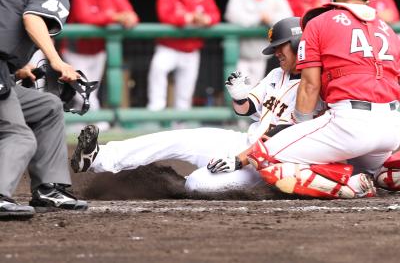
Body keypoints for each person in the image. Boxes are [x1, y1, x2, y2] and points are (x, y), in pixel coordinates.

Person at [208, 0, 400, 198]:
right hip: (391, 125)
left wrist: (300, 126)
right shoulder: (388, 29)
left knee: (266, 159)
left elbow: (309, 85)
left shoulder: (319, 22)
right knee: (372, 172)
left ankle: (349, 185)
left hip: (349, 122)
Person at [71, 17, 372, 195]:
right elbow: (246, 111)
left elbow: (288, 138)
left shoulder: (319, 85)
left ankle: (187, 184)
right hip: (244, 142)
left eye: (280, 47)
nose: (276, 54)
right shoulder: (276, 74)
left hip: (269, 163)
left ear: (297, 45)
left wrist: (242, 159)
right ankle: (99, 157)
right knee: (180, 137)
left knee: (198, 185)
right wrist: (239, 96)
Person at [0, 0, 88, 219]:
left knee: (47, 106)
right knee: (19, 135)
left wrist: (17, 69)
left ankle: (49, 188)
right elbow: (33, 19)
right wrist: (58, 61)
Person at [63, 0, 138, 112]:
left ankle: (80, 124)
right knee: (84, 92)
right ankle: (99, 124)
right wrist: (115, 17)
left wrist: (129, 18)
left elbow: (133, 16)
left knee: (89, 91)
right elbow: (86, 18)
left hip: (98, 52)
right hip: (75, 51)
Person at [147, 0, 220, 111]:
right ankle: (155, 111)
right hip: (169, 48)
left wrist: (205, 19)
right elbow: (164, 15)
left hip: (191, 50)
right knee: (158, 70)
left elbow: (215, 15)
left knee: (184, 97)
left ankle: (180, 124)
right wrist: (188, 18)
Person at [225, 0, 292, 86]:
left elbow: (287, 16)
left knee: (255, 95)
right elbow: (232, 15)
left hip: (261, 56)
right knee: (239, 93)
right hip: (241, 56)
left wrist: (270, 18)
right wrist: (258, 18)